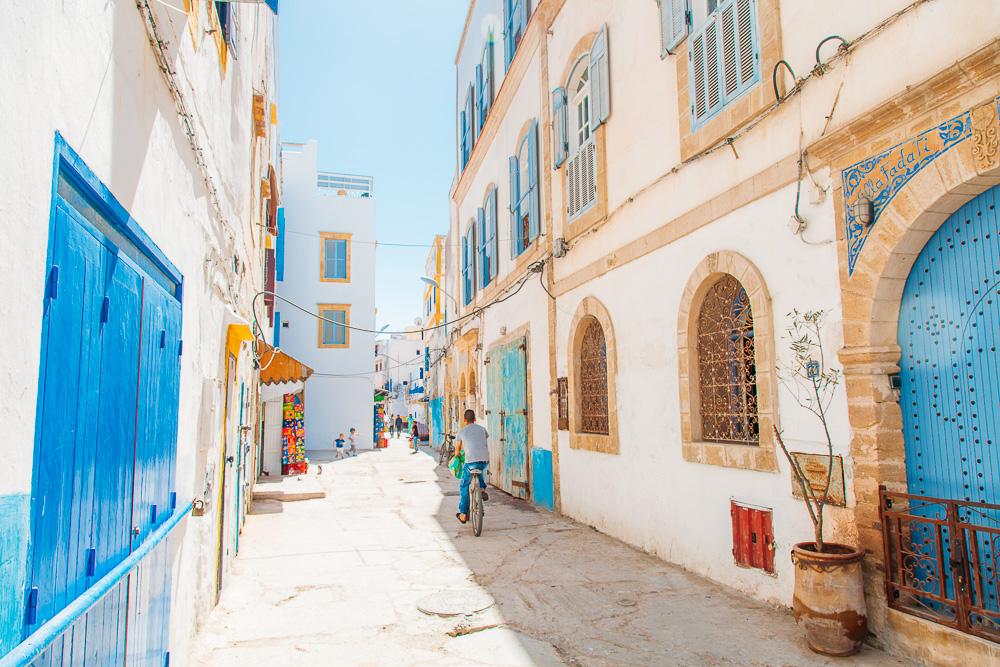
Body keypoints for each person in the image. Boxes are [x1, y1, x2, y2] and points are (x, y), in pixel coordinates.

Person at [454, 409, 489, 524]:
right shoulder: (482, 429)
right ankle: (482, 488)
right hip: (484, 460)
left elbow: (457, 450)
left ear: (465, 420)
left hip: (470, 462)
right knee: (479, 469)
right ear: (475, 419)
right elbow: (483, 441)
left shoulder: (462, 432)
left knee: (464, 485)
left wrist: (457, 455)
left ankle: (463, 514)